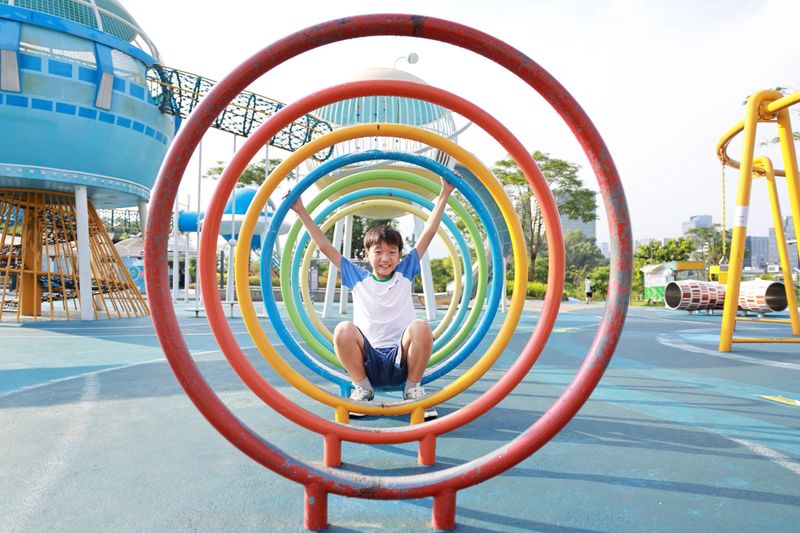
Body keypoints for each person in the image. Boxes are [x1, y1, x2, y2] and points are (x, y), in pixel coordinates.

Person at [290, 178, 455, 420]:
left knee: (420, 327)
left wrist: (444, 194)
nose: (385, 258)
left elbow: (428, 232)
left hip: (403, 360)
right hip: (368, 361)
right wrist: (300, 210)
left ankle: (412, 390)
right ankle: (363, 389)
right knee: (343, 330)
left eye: (391, 252)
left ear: (400, 255)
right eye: (378, 252)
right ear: (367, 255)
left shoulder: (405, 272)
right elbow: (324, 245)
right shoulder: (357, 276)